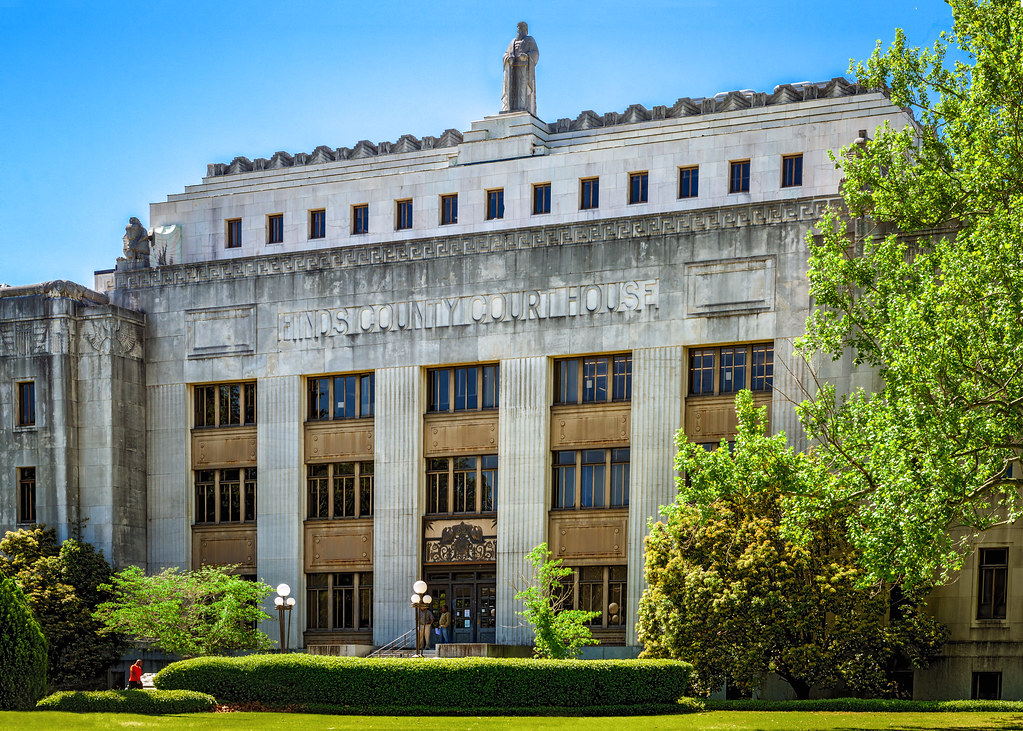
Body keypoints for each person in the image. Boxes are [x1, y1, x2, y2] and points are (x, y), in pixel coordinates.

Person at [501, 21, 539, 115]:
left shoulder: (530, 40)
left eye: (522, 28)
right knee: (512, 91)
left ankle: (524, 107)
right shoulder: (512, 42)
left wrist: (527, 56)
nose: (520, 30)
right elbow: (505, 54)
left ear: (526, 30)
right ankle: (510, 107)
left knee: (523, 90)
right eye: (519, 28)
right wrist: (508, 58)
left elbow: (535, 53)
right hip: (513, 69)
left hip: (524, 68)